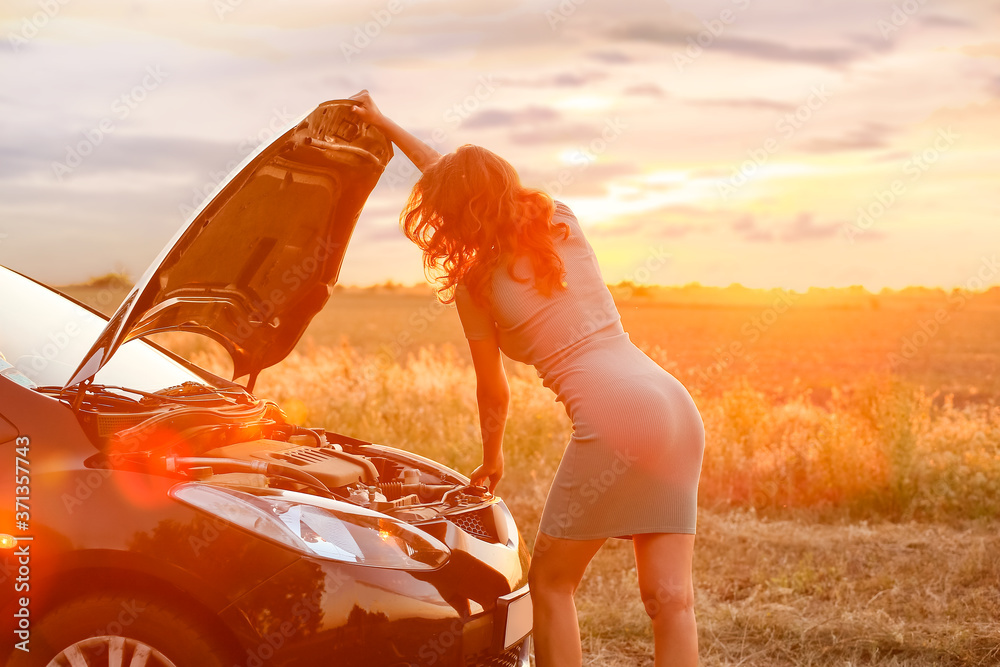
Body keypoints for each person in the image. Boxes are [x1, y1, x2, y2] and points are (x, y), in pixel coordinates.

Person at [349, 90, 705, 667]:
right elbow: (457, 175)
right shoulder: (559, 221)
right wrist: (386, 121)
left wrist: (492, 460)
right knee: (672, 600)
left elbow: (493, 391)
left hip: (614, 414)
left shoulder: (475, 284)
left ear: (448, 210)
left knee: (551, 585)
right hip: (674, 405)